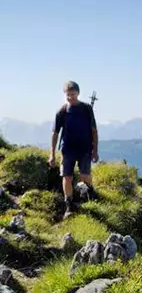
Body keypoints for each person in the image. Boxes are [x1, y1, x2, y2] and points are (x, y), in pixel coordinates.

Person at [48, 81, 99, 218]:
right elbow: (55, 133)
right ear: (64, 94)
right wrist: (52, 154)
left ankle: (91, 197)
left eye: (73, 94)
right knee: (67, 176)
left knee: (85, 176)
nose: (70, 97)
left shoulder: (87, 109)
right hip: (67, 150)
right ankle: (69, 205)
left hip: (85, 148)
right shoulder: (62, 111)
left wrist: (95, 150)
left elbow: (94, 130)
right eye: (68, 94)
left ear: (78, 93)